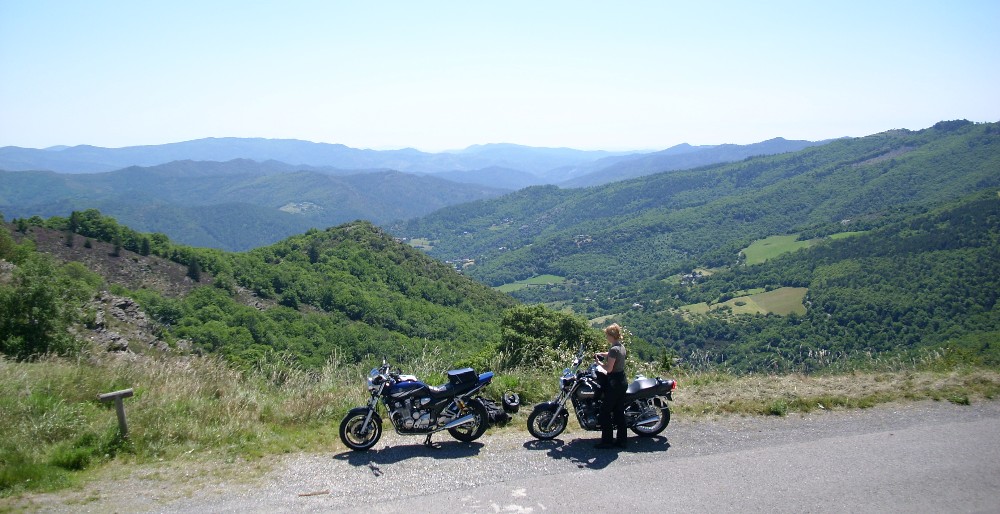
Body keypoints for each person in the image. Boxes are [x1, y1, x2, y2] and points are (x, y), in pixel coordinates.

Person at [594, 323, 627, 449]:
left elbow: (608, 368)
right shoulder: (620, 346)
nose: (606, 337)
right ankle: (622, 441)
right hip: (622, 381)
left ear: (611, 336)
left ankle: (607, 441)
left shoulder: (614, 349)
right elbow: (612, 355)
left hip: (614, 383)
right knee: (619, 412)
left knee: (605, 412)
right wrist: (602, 354)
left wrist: (598, 363)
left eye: (607, 335)